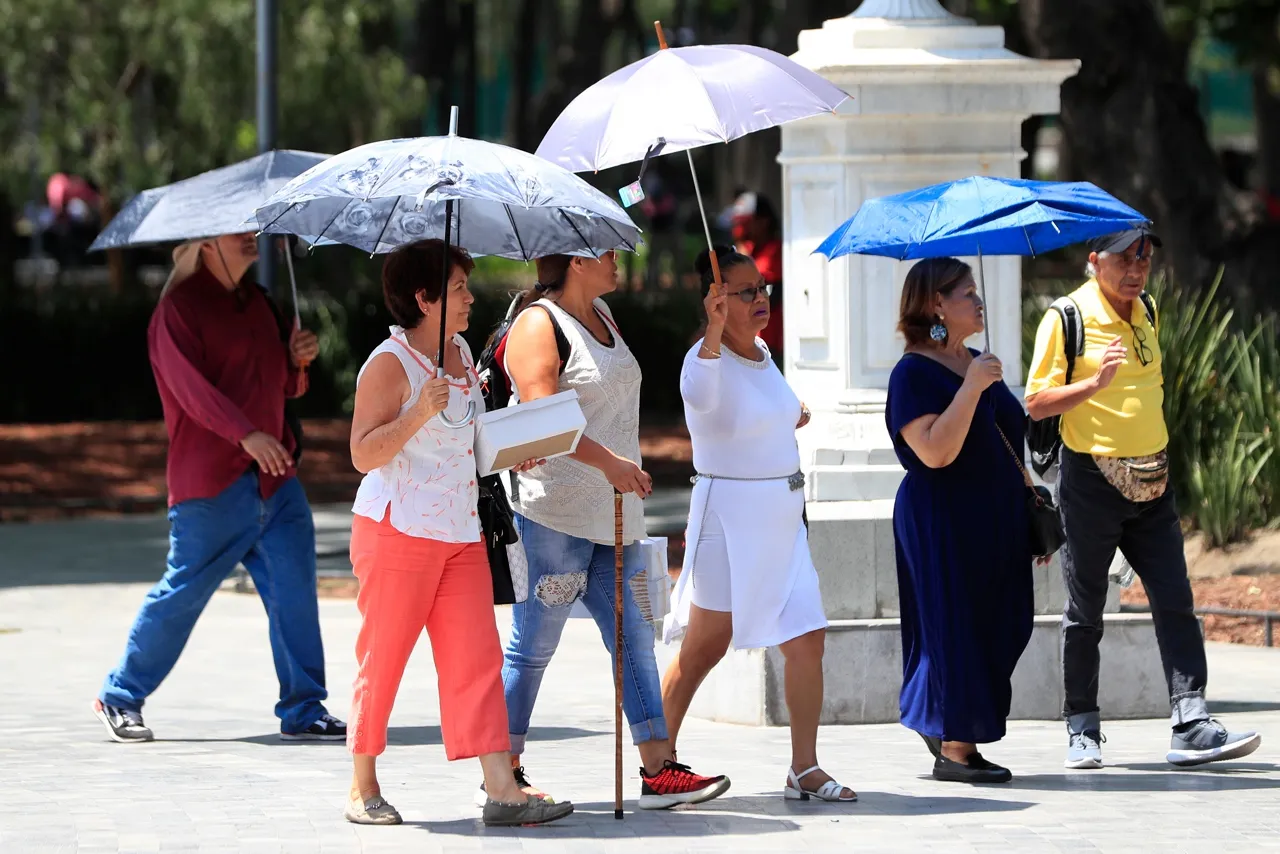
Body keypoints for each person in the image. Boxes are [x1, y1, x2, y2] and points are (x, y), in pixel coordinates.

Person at [343, 240, 572, 827]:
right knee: (384, 657)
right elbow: (363, 454)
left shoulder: (463, 352)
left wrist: (510, 453)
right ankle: (361, 786)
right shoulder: (387, 365)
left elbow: (467, 439)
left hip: (461, 530)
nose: (471, 297)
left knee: (477, 659)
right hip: (397, 533)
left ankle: (502, 789)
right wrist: (417, 410)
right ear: (423, 299)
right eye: (458, 288)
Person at [495, 250, 730, 810]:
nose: (618, 259)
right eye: (604, 251)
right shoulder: (538, 323)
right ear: (575, 261)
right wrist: (612, 465)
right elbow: (543, 414)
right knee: (534, 646)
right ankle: (503, 770)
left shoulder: (604, 313)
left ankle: (658, 769)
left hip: (615, 513)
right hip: (553, 512)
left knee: (633, 640)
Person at [94, 233, 345, 744]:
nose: (253, 240)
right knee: (181, 595)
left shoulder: (259, 304)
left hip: (277, 484)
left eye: (254, 232)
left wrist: (297, 359)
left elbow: (280, 386)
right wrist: (244, 434)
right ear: (207, 242)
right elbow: (191, 393)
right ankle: (119, 695)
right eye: (239, 233)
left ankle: (304, 708)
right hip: (211, 486)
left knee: (296, 595)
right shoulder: (176, 312)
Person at [1026, 229, 1262, 769]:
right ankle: (1082, 727)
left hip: (1153, 479)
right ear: (1094, 261)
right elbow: (1037, 404)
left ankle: (1191, 721)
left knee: (1175, 598)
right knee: (1085, 609)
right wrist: (1094, 383)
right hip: (1089, 481)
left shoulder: (1146, 309)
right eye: (1124, 258)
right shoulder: (1066, 318)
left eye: (1145, 257)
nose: (1136, 269)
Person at [659, 246, 855, 803]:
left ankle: (804, 767)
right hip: (729, 524)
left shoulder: (764, 353)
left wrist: (793, 414)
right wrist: (716, 331)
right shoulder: (702, 358)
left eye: (762, 287)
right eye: (746, 292)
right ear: (716, 300)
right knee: (704, 647)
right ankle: (659, 762)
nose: (760, 298)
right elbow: (699, 398)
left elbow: (768, 411)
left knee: (807, 637)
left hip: (783, 523)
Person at [885, 257, 1034, 784]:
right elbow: (934, 452)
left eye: (976, 290)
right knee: (955, 627)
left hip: (997, 518)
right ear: (936, 305)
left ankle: (945, 724)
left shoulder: (975, 360)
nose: (978, 300)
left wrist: (1029, 506)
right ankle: (954, 745)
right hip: (942, 519)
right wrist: (971, 387)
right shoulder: (914, 373)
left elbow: (1009, 438)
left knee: (1004, 621)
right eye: (965, 293)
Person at [723, 190, 783, 364]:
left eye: (747, 223)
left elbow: (765, 290)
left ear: (763, 222)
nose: (741, 229)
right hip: (745, 343)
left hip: (771, 342)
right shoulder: (749, 249)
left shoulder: (775, 251)